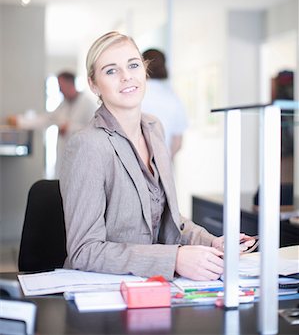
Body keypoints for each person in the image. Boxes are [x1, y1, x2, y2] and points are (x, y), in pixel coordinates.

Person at [59, 31, 254, 281]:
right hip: (103, 290)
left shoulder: (153, 128)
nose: (126, 76)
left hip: (152, 286)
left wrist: (213, 242)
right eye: (111, 71)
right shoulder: (88, 145)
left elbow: (166, 218)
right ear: (94, 84)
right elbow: (84, 252)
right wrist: (174, 259)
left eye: (133, 65)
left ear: (144, 70)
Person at [8, 71, 97, 176]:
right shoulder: (64, 104)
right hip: (67, 156)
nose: (60, 90)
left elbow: (95, 130)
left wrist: (69, 128)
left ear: (70, 84)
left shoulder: (88, 104)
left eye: (61, 86)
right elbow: (46, 119)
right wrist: (20, 121)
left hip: (84, 157)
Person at [142, 48, 188, 159]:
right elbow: (177, 141)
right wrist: (164, 163)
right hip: (162, 163)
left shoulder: (134, 93)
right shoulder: (172, 97)